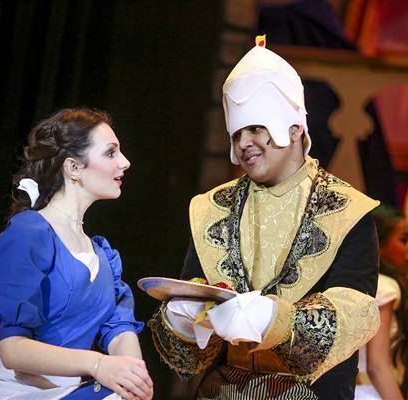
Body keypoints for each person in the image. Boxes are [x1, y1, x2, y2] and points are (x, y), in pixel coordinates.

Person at [148, 38, 381, 399]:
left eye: (256, 128)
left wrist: (273, 320)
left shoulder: (347, 210)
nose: (244, 143)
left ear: (295, 129)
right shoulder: (212, 208)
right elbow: (191, 345)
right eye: (237, 134)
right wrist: (181, 320)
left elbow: (353, 315)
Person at [0, 108, 153, 400]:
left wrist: (132, 377)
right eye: (111, 153)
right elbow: (12, 349)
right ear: (74, 168)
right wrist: (98, 364)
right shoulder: (29, 233)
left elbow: (119, 329)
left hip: (67, 388)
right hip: (16, 388)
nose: (125, 162)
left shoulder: (104, 256)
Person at [355, 205, 408, 399]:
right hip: (371, 393)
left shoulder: (360, 283)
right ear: (379, 243)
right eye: (403, 240)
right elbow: (377, 365)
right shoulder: (386, 287)